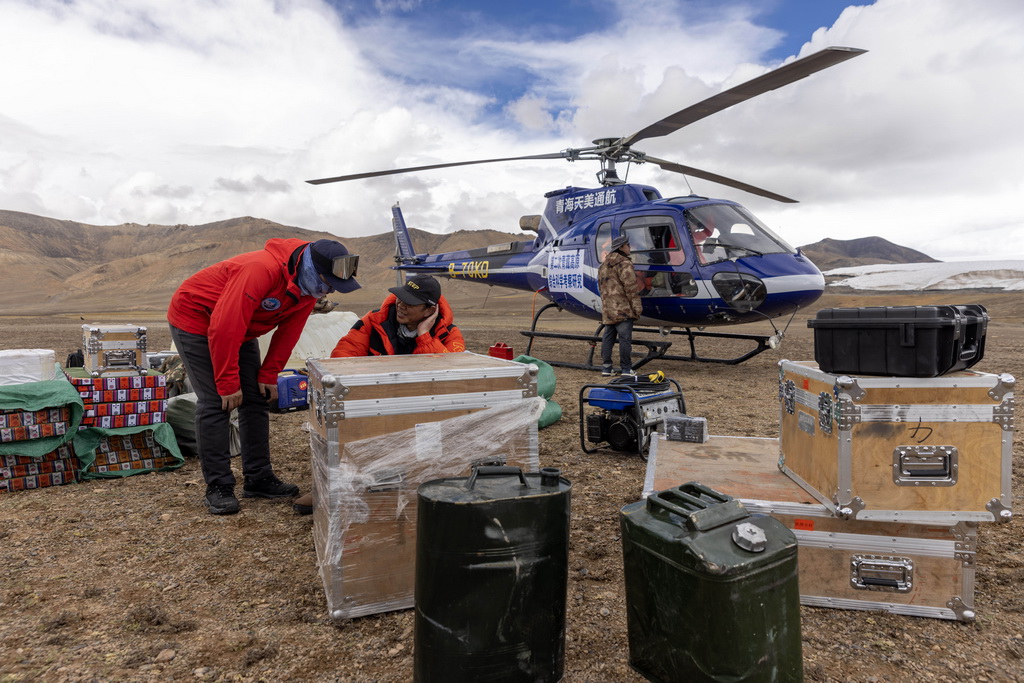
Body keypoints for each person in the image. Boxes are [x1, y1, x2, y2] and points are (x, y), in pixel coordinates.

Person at [168, 238, 360, 515]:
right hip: (198, 318)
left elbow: (289, 331)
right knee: (217, 402)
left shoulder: (308, 286)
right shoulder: (261, 270)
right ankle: (218, 486)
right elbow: (224, 328)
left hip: (242, 326)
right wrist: (226, 383)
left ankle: (258, 478)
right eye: (328, 281)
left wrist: (269, 374)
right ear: (312, 268)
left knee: (257, 398)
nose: (329, 289)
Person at [292, 274, 464, 515]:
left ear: (430, 310)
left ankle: (423, 487)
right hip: (376, 403)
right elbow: (342, 359)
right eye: (400, 298)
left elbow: (451, 376)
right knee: (338, 425)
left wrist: (424, 336)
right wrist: (374, 387)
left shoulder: (450, 334)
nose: (401, 305)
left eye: (410, 302)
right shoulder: (373, 322)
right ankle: (329, 487)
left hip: (424, 409)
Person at [598, 234, 643, 377]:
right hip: (622, 309)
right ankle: (626, 369)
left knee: (608, 338)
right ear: (622, 247)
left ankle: (606, 368)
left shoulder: (603, 265)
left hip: (608, 309)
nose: (630, 248)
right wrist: (637, 307)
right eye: (628, 245)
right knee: (625, 339)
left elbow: (601, 286)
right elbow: (631, 287)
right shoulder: (624, 264)